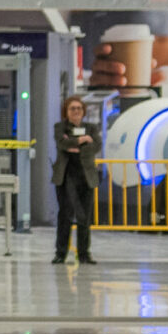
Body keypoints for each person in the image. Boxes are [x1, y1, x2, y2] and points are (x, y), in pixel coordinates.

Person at [50, 95, 99, 265]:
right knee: (66, 216)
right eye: (72, 108)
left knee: (85, 217)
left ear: (84, 111)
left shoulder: (91, 128)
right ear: (66, 112)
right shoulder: (60, 127)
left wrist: (74, 145)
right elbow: (62, 144)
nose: (76, 111)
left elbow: (95, 146)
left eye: (79, 108)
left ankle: (84, 253)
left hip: (86, 177)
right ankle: (61, 253)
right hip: (66, 177)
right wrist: (81, 140)